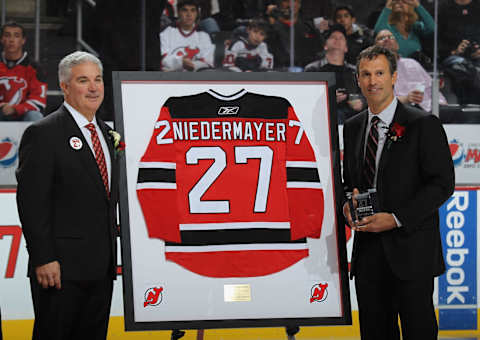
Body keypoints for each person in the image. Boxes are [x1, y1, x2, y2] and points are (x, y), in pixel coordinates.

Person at [342, 45, 454, 339]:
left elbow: (442, 184)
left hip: (412, 253)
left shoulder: (423, 124)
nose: (372, 81)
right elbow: (348, 184)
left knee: (419, 331)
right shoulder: (352, 128)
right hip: (368, 256)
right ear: (357, 79)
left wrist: (395, 218)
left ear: (394, 77)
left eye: (379, 73)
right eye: (365, 74)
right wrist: (346, 205)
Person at [16, 51, 119, 340]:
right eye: (83, 80)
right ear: (64, 87)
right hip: (59, 269)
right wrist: (43, 257)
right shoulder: (43, 133)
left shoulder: (108, 135)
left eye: (97, 80)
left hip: (102, 267)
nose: (94, 87)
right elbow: (31, 202)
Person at [375, 29, 447, 111]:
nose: (387, 39)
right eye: (381, 38)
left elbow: (431, 88)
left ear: (397, 45)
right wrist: (406, 99)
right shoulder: (374, 71)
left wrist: (442, 103)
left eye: (390, 37)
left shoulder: (412, 63)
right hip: (402, 112)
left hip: (429, 109)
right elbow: (380, 102)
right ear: (375, 47)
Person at [305, 24, 365, 123]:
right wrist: (329, 100)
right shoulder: (312, 69)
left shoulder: (354, 71)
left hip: (352, 118)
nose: (337, 40)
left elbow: (367, 94)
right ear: (325, 45)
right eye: (333, 37)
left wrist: (361, 102)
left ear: (346, 48)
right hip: (321, 118)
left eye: (341, 38)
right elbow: (306, 98)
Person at [0, 22, 46, 121]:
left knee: (35, 116)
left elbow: (39, 101)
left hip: (23, 114)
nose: (11, 40)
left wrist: (15, 109)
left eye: (16, 36)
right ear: (2, 39)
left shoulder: (34, 67)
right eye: (7, 35)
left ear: (23, 40)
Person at [438, 0, 480, 104]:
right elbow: (435, 38)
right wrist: (454, 51)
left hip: (476, 56)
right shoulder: (443, 8)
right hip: (453, 57)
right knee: (461, 67)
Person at [266, 0, 323, 69]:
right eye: (286, 1)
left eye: (295, 1)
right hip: (279, 74)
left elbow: (321, 51)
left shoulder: (309, 27)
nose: (291, 4)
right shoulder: (269, 28)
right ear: (279, 5)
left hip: (307, 74)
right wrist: (271, 21)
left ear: (299, 4)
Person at [160, 0, 215, 72]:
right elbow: (163, 59)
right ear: (178, 13)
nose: (189, 14)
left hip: (195, 79)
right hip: (171, 78)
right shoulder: (166, 33)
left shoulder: (204, 36)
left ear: (197, 14)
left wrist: (192, 65)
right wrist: (181, 62)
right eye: (185, 10)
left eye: (193, 11)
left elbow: (208, 62)